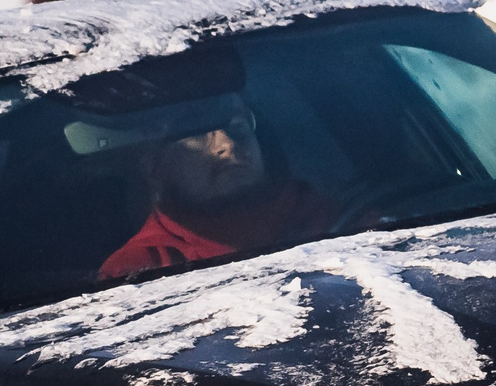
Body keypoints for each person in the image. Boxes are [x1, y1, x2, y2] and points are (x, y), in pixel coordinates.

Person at [98, 99, 337, 280]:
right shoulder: (135, 271)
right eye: (197, 134)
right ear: (152, 165)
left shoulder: (335, 220)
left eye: (238, 128)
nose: (228, 144)